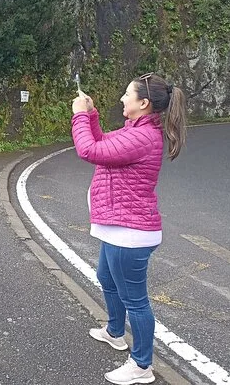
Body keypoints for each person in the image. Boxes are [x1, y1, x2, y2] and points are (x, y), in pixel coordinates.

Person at [70, 73, 186, 385]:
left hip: (130, 232)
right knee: (106, 277)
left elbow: (89, 151)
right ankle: (114, 332)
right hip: (118, 226)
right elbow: (102, 143)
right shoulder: (135, 130)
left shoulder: (143, 137)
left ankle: (142, 365)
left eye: (127, 94)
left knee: (135, 300)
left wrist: (79, 115)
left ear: (144, 103)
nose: (122, 99)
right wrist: (92, 115)